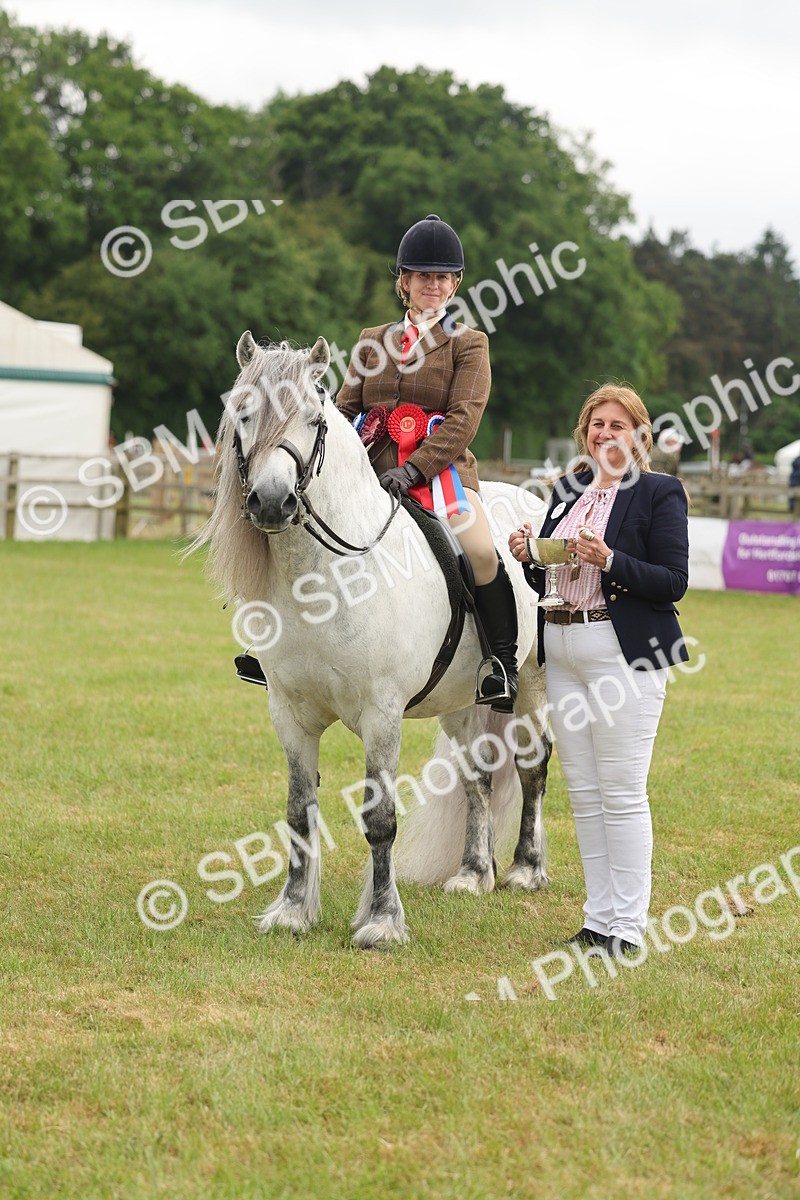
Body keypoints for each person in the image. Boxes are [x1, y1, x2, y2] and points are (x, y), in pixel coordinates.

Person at [508, 384, 689, 956]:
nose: (605, 434)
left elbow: (672, 581)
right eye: (596, 425)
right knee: (583, 792)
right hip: (562, 645)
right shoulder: (567, 491)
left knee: (622, 791)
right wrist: (529, 554)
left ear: (639, 435)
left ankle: (628, 927)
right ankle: (597, 918)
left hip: (622, 650)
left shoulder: (660, 492)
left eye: (617, 425)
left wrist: (611, 560)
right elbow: (553, 576)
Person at [336, 214, 518, 711]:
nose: (432, 284)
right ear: (404, 283)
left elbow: (463, 420)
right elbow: (343, 409)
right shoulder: (373, 339)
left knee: (479, 550)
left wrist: (415, 469)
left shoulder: (469, 343)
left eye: (441, 277)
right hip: (368, 474)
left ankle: (499, 664)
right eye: (422, 276)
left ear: (455, 284)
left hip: (442, 478)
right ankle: (276, 653)